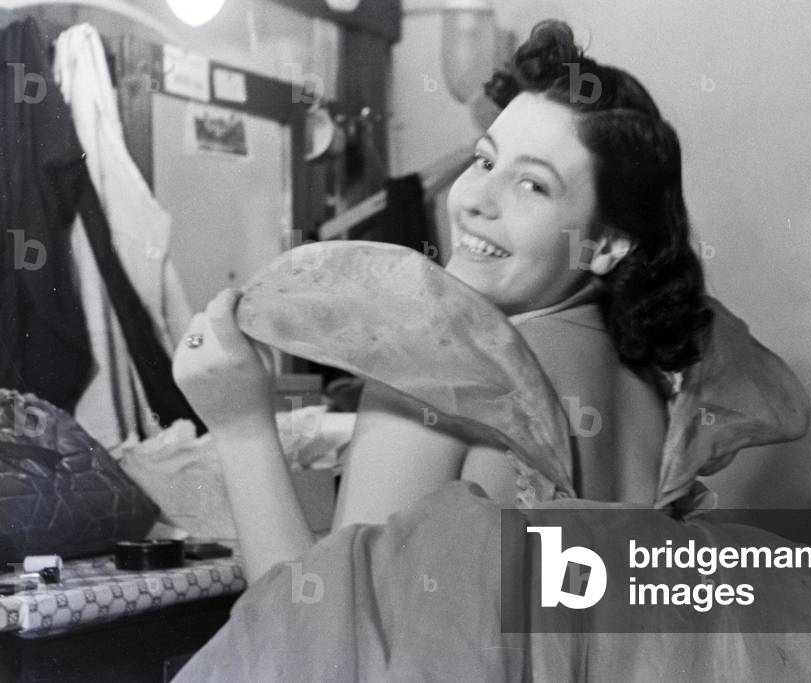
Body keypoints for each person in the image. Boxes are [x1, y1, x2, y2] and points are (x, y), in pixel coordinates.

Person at [173, 20, 713, 582]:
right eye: (484, 161)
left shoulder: (443, 367)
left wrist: (240, 429)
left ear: (605, 245)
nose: (476, 199)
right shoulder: (649, 389)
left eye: (532, 185)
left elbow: (319, 644)